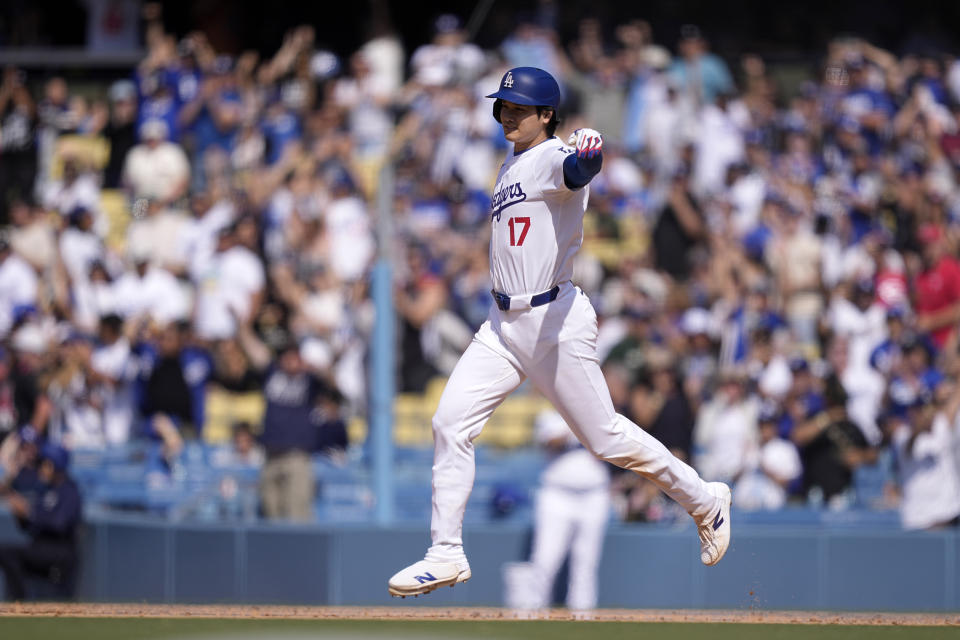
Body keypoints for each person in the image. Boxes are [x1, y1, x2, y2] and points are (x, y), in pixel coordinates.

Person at [388, 67, 731, 598]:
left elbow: (578, 169)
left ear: (546, 114)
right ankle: (446, 552)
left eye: (519, 108)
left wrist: (588, 154)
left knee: (606, 437)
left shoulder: (548, 156)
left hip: (553, 321)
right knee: (449, 422)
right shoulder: (511, 162)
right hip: (502, 325)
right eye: (503, 106)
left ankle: (704, 500)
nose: (507, 114)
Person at [0, 443, 82, 601]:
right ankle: (17, 601)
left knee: (8, 552)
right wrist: (21, 515)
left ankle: (19, 602)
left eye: (45, 464)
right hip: (41, 546)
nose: (41, 468)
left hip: (60, 550)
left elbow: (60, 524)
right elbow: (31, 528)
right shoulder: (44, 490)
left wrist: (30, 513)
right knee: (7, 553)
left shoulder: (69, 490)